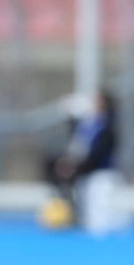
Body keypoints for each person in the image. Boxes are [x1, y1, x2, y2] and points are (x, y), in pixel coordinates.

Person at [43, 90, 118, 224]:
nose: (93, 105)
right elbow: (77, 136)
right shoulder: (90, 125)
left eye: (97, 101)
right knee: (90, 216)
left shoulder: (107, 126)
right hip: (87, 174)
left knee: (101, 218)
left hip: (101, 174)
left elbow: (96, 152)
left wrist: (75, 166)